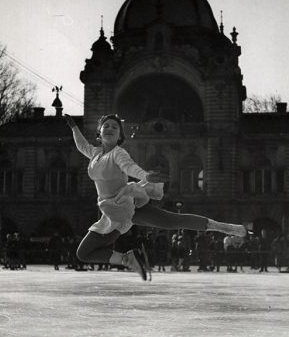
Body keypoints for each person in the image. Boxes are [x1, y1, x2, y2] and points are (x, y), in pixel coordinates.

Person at [64, 114, 246, 281]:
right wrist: (73, 126)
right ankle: (128, 258)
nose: (110, 128)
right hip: (112, 209)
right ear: (99, 133)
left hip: (121, 207)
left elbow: (129, 167)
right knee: (173, 221)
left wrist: (146, 176)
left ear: (120, 136)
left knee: (86, 252)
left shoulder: (118, 153)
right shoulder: (95, 154)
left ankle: (226, 228)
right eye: (106, 126)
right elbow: (82, 146)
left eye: (115, 127)